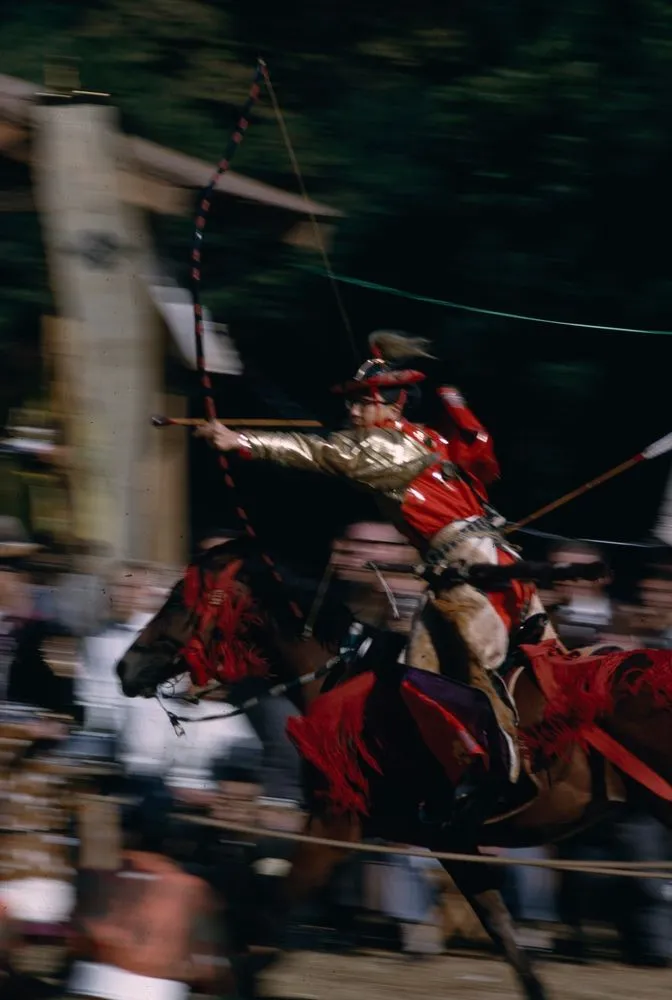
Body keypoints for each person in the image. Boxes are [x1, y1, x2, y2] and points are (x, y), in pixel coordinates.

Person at [195, 331, 553, 823]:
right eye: (355, 402)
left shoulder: (389, 448)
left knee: (424, 673)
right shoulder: (430, 440)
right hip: (501, 569)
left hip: (471, 574)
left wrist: (240, 441)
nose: (355, 411)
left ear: (395, 404)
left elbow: (321, 453)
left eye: (365, 401)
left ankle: (495, 769)